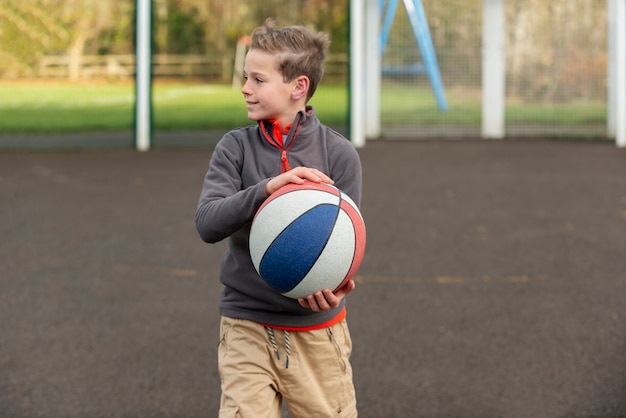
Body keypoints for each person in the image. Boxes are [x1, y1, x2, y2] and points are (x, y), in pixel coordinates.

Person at [195, 19, 361, 418]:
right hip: (245, 324)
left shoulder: (339, 155)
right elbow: (207, 222)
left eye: (258, 79)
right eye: (246, 77)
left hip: (317, 330)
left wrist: (336, 286)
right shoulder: (235, 148)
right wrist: (268, 189)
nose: (245, 88)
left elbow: (346, 242)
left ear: (298, 87)